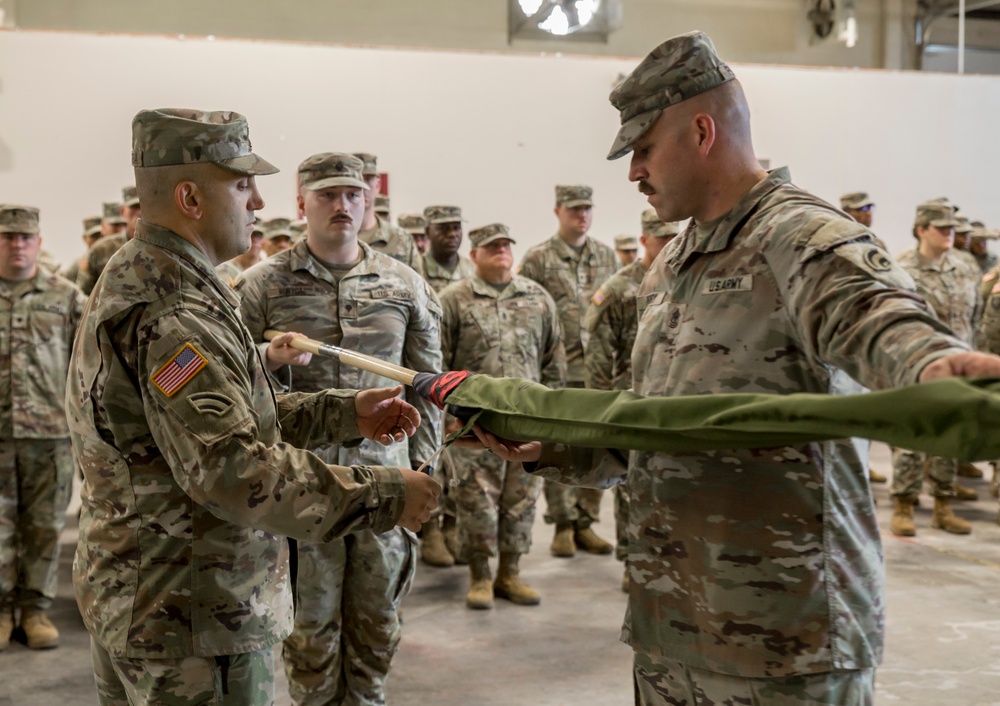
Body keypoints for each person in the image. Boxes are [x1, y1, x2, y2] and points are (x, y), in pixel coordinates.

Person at [471, 32, 1000, 704]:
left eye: (641, 148)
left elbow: (882, 321)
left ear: (701, 131)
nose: (632, 172)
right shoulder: (670, 268)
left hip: (785, 643)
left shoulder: (804, 236)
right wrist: (554, 448)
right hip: (671, 630)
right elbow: (656, 425)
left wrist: (938, 368)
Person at [66, 109, 439, 706]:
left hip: (156, 599)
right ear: (189, 197)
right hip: (193, 619)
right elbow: (233, 471)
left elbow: (224, 420)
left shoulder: (159, 277)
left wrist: (343, 413)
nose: (259, 202)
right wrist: (386, 493)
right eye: (242, 185)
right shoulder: (176, 312)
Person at [236, 151, 443, 705]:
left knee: (378, 622)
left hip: (387, 483)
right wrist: (267, 355)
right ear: (300, 203)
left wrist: (424, 467)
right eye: (327, 195)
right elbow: (232, 375)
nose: (341, 206)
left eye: (354, 195)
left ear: (370, 205)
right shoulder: (261, 285)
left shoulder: (405, 285)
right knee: (309, 628)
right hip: (302, 486)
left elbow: (432, 384)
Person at [438, 223, 565, 609]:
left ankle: (511, 573)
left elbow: (553, 360)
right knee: (476, 499)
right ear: (473, 255)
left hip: (527, 420)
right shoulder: (453, 299)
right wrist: (446, 417)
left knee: (522, 499)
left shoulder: (538, 298)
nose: (501, 252)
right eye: (491, 247)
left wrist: (556, 417)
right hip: (473, 422)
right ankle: (479, 575)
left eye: (506, 245)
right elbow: (438, 364)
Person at [0, 205, 85, 651]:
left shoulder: (66, 296)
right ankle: (0, 611)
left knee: (45, 527)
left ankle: (35, 611)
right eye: (8, 237)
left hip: (49, 435)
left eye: (25, 237)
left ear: (38, 241)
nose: (17, 245)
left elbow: (90, 360)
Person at [519, 184, 618, 558]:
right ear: (557, 211)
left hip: (597, 371)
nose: (583, 215)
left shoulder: (607, 258)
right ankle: (561, 522)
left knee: (595, 448)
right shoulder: (537, 259)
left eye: (588, 208)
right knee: (557, 446)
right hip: (558, 371)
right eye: (575, 209)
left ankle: (585, 523)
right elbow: (527, 316)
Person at [583, 209, 678, 592]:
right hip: (630, 403)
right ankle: (630, 558)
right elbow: (597, 356)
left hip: (673, 403)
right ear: (644, 240)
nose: (671, 244)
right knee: (630, 486)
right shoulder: (621, 290)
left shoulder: (685, 277)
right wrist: (603, 413)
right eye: (662, 238)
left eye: (675, 236)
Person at [889, 201, 982, 536]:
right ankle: (904, 505)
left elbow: (975, 317)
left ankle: (943, 505)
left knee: (949, 436)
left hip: (960, 365)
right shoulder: (901, 269)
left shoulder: (966, 266)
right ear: (921, 230)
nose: (949, 233)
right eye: (941, 228)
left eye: (951, 228)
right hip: (917, 365)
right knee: (911, 436)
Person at [354, 153, 425, 276]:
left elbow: (419, 290)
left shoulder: (401, 240)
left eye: (368, 180)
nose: (363, 187)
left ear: (378, 185)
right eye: (357, 180)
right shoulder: (331, 237)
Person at [77, 185, 142, 295]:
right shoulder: (101, 250)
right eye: (134, 207)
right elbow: (83, 295)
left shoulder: (163, 248)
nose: (139, 212)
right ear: (122, 211)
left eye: (143, 207)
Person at [422, 205, 475, 294]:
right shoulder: (416, 269)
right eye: (444, 228)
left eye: (456, 228)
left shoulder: (473, 270)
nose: (452, 234)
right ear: (427, 232)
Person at [216, 218, 263, 285]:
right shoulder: (223, 270)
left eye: (258, 236)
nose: (255, 240)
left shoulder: (269, 270)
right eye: (250, 234)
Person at [60, 216, 103, 284]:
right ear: (85, 238)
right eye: (94, 236)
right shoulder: (78, 264)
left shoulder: (112, 259)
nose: (98, 240)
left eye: (101, 236)